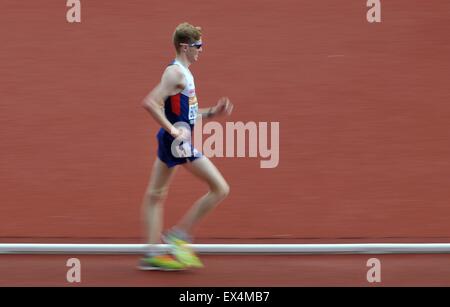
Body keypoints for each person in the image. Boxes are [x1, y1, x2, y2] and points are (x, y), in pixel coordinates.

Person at [139, 22, 233, 270]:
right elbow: (150, 103)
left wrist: (212, 112)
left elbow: (186, 114)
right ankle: (178, 236)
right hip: (177, 143)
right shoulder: (175, 74)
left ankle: (151, 254)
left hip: (170, 139)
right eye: (198, 46)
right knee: (220, 188)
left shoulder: (184, 73)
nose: (201, 50)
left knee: (155, 195)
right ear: (184, 46)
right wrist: (172, 129)